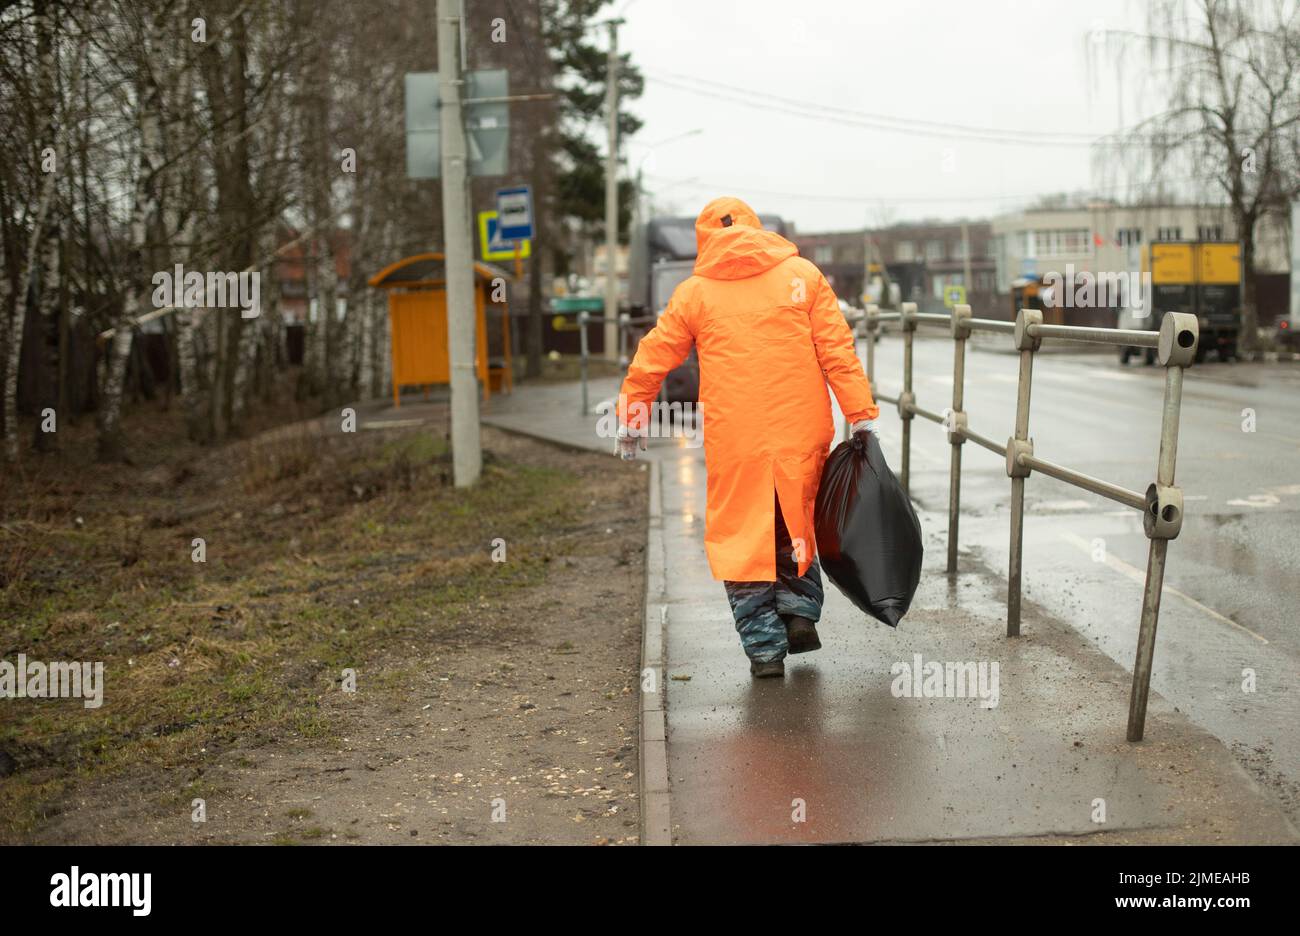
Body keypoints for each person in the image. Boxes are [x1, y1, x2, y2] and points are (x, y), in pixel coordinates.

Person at [615, 196, 879, 678]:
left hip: (736, 436)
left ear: (703, 242)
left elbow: (653, 357)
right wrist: (859, 412)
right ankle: (799, 610)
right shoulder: (802, 275)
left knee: (742, 533)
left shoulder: (694, 293)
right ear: (758, 229)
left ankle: (763, 649)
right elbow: (837, 349)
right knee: (794, 521)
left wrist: (632, 418)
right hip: (802, 428)